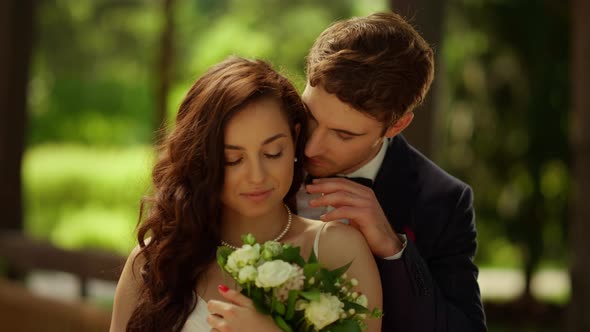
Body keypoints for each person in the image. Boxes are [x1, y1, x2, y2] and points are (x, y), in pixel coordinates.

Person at [109, 56, 382, 331]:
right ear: (202, 160)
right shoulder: (155, 261)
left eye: (272, 153)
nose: (257, 176)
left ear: (295, 138)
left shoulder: (337, 249)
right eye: (233, 159)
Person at [296, 12, 487, 331]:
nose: (310, 148)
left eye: (344, 135)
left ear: (397, 125)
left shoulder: (442, 201)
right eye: (310, 116)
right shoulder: (265, 153)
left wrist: (392, 248)